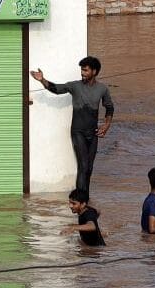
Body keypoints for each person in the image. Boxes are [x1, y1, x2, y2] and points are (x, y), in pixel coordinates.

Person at [30, 56, 115, 196]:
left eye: (85, 70)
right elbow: (56, 89)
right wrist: (42, 80)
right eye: (82, 70)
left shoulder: (102, 89)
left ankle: (84, 198)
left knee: (89, 168)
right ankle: (81, 199)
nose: (82, 73)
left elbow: (110, 107)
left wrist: (106, 125)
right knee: (83, 166)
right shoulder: (75, 86)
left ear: (94, 71)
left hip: (93, 133)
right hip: (78, 132)